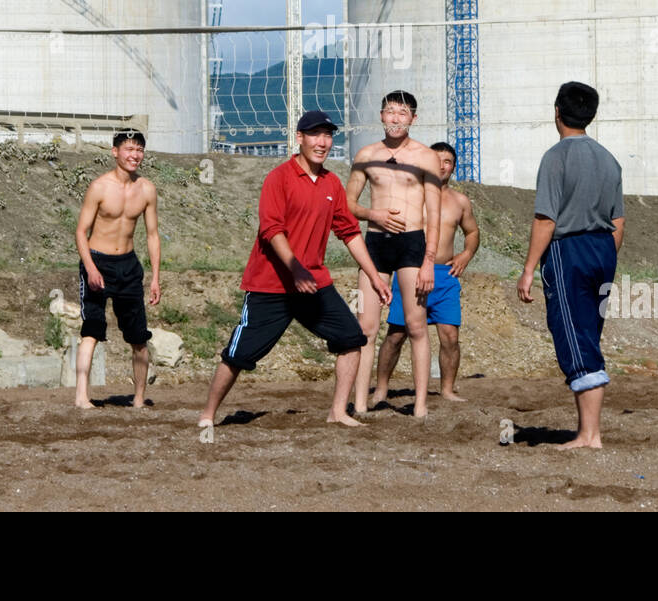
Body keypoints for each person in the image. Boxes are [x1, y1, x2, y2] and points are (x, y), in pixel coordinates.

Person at [198, 111, 391, 429]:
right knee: (238, 354)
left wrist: (373, 275)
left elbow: (350, 233)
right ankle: (207, 415)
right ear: (299, 138)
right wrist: (296, 269)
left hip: (313, 283)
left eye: (327, 135)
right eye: (315, 134)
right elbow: (271, 230)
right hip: (271, 285)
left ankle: (338, 412)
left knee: (352, 340)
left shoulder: (332, 184)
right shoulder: (279, 178)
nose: (322, 142)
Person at [517, 81, 624, 450]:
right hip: (603, 249)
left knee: (574, 337)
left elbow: (546, 219)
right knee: (589, 332)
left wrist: (529, 267)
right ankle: (588, 430)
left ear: (557, 113)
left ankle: (589, 435)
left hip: (569, 250)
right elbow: (619, 221)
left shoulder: (555, 157)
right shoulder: (609, 159)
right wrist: (607, 258)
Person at [345, 90, 441, 418]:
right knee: (366, 328)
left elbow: (435, 212)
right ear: (381, 116)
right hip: (375, 243)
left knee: (416, 325)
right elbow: (348, 204)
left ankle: (420, 406)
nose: (395, 118)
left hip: (413, 244)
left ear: (413, 118)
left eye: (402, 112)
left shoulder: (426, 157)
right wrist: (374, 215)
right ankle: (359, 403)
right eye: (389, 111)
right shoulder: (366, 154)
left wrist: (429, 260)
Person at [372, 142, 479, 403]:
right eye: (437, 160)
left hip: (445, 276)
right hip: (411, 272)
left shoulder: (460, 201)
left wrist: (465, 254)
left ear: (453, 167)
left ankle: (447, 389)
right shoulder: (411, 195)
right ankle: (381, 387)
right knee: (397, 335)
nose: (442, 166)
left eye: (448, 162)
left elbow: (473, 232)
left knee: (450, 336)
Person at [73, 129, 162, 409]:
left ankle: (138, 398)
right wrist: (90, 268)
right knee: (92, 329)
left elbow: (152, 235)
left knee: (139, 337)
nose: (134, 155)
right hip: (97, 261)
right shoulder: (99, 186)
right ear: (115, 152)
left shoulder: (147, 189)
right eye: (129, 149)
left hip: (128, 265)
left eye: (139, 150)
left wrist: (156, 277)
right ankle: (81, 397)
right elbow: (80, 231)